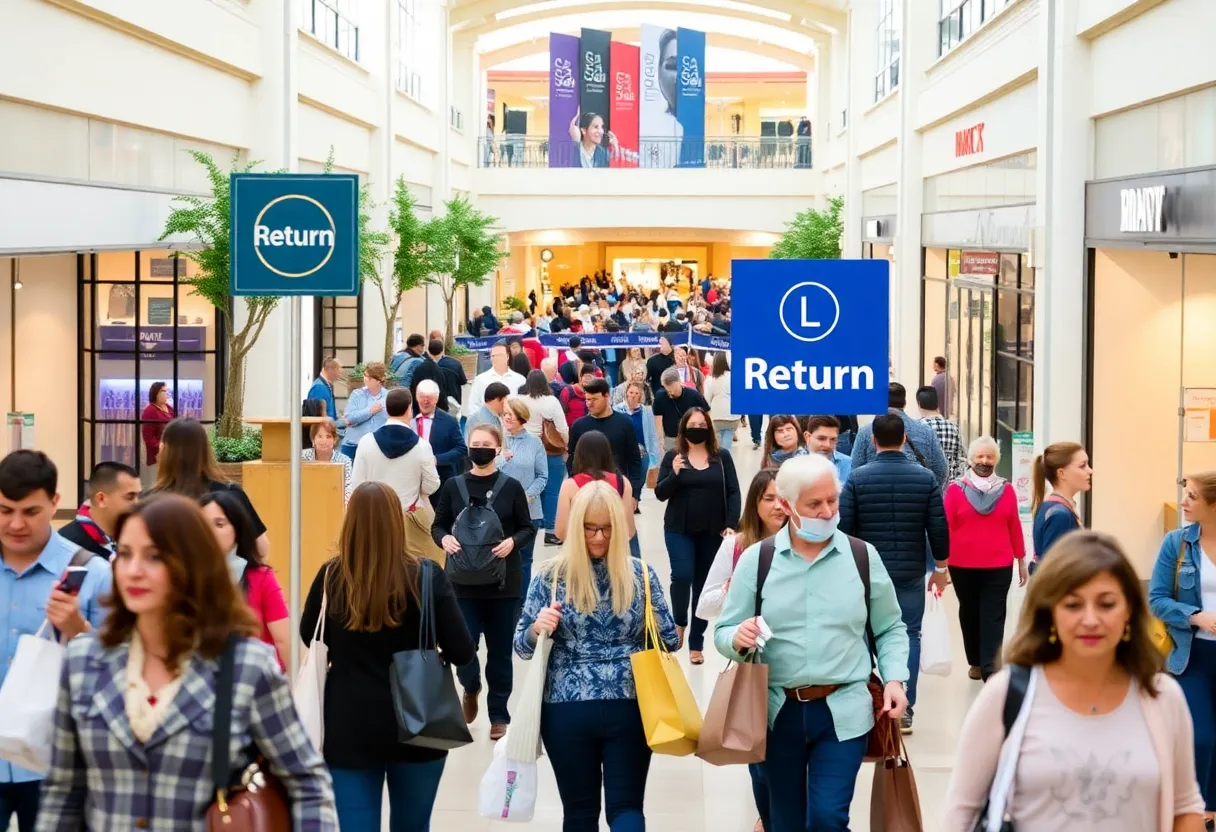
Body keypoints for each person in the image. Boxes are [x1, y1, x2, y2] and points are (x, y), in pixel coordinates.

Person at [38, 494, 337, 830]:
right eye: (124, 554)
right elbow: (63, 793)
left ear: (192, 564)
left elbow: (307, 782)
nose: (134, 571)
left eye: (154, 556)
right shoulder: (84, 663)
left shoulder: (246, 667)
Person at [944, 532, 1205, 832]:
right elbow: (960, 813)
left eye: (1107, 604)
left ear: (1130, 611)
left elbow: (1185, 807)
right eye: (1072, 605)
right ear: (1049, 613)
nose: (1091, 619)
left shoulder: (1162, 697)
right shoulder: (1006, 696)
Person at [716, 454, 910, 832]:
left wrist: (894, 679)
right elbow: (723, 631)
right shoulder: (759, 561)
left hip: (844, 710)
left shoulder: (860, 557)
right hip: (776, 712)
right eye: (815, 504)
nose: (827, 512)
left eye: (832, 501)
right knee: (783, 821)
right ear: (787, 506)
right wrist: (737, 638)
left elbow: (890, 628)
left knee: (827, 817)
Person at [301, 482, 473, 831]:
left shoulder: (332, 576)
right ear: (397, 522)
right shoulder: (427, 576)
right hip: (418, 726)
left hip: (348, 727)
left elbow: (310, 635)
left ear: (350, 522)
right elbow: (463, 650)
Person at [516, 482, 678, 831]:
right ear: (577, 528)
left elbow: (522, 644)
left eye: (606, 528)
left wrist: (536, 628)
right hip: (631, 701)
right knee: (626, 807)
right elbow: (669, 640)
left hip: (566, 704)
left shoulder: (550, 577)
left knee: (579, 814)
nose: (599, 537)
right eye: (590, 528)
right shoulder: (642, 575)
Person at [0, 450, 113, 831]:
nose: (15, 524)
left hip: (56, 764)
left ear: (54, 503)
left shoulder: (91, 572)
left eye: (30, 512)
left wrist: (80, 630)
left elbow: (122, 667)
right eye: (4, 510)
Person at [839, 413, 949, 734]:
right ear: (904, 439)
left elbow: (844, 527)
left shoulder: (858, 479)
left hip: (867, 573)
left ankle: (870, 701)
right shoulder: (925, 478)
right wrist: (941, 567)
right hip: (909, 571)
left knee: (865, 633)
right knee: (909, 634)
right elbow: (938, 527)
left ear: (872, 441)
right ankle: (905, 707)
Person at [431, 424, 535, 741]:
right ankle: (471, 685)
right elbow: (438, 526)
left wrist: (512, 543)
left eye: (486, 444)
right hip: (461, 585)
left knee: (501, 653)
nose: (480, 448)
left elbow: (527, 528)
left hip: (504, 585)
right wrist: (445, 539)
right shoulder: (453, 486)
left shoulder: (512, 487)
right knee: (463, 649)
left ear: (497, 447)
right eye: (475, 443)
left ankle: (499, 715)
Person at [1150, 470, 1216, 825]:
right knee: (1202, 737)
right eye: (1185, 494)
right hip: (1192, 656)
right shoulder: (1176, 543)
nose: (1184, 502)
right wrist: (1196, 617)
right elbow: (1156, 598)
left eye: (1192, 496)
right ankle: (1200, 813)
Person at [656, 408, 741, 665]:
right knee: (682, 575)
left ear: (709, 428)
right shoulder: (674, 456)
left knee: (704, 587)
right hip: (678, 529)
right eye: (692, 424)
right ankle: (679, 622)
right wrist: (675, 474)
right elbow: (661, 493)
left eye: (702, 424)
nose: (697, 428)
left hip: (712, 531)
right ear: (683, 428)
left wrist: (731, 524)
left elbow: (733, 491)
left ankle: (696, 642)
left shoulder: (721, 457)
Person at [944, 435, 1028, 682]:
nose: (984, 461)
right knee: (969, 613)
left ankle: (991, 667)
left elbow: (1014, 525)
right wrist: (942, 565)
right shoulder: (955, 490)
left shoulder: (1007, 490)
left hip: (999, 564)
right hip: (961, 564)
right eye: (980, 456)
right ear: (970, 460)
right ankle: (976, 662)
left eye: (989, 456)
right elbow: (946, 526)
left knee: (993, 614)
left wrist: (1021, 560)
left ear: (996, 460)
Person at [150, 418, 269, 558]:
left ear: (163, 451)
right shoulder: (231, 495)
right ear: (206, 451)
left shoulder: (148, 501)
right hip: (221, 578)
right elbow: (261, 549)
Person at [200, 489, 291, 670]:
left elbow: (284, 640)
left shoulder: (261, 578)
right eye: (203, 526)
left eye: (220, 524)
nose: (211, 533)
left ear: (237, 529)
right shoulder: (187, 578)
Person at [351, 388, 440, 514]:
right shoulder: (422, 446)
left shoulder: (366, 442)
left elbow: (356, 484)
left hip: (373, 515)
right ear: (409, 409)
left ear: (386, 410)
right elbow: (431, 485)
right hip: (407, 517)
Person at [566, 379, 644, 522]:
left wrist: (634, 494)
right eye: (587, 399)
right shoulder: (579, 426)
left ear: (607, 396)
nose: (589, 403)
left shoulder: (624, 424)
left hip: (618, 491)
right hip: (587, 494)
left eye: (594, 399)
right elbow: (572, 460)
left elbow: (634, 461)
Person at [850, 382, 949, 489]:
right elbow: (941, 470)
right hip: (916, 498)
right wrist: (928, 494)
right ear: (905, 403)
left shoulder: (865, 432)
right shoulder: (926, 431)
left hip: (874, 497)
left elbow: (855, 470)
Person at [499, 398, 547, 598]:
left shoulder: (535, 443)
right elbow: (485, 468)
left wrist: (527, 495)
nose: (507, 417)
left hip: (529, 511)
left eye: (511, 414)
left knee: (525, 561)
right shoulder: (497, 440)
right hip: (500, 512)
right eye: (505, 413)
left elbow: (542, 476)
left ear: (521, 417)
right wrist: (501, 458)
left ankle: (523, 602)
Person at [557, 431, 638, 549]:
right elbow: (629, 530)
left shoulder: (569, 486)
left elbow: (561, 531)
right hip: (613, 553)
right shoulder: (623, 483)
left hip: (580, 554)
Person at [519, 369, 569, 547]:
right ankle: (550, 531)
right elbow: (562, 428)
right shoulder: (551, 401)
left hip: (524, 449)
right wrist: (565, 445)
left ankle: (529, 526)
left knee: (529, 490)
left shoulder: (520, 400)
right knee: (552, 490)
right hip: (549, 451)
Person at [59, 461, 140, 559]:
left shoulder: (134, 538)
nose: (137, 504)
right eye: (130, 497)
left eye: (138, 496)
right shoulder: (66, 545)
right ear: (101, 499)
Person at [1032, 441, 1092, 567]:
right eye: (1082, 466)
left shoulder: (1055, 508)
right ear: (1061, 473)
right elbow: (1054, 570)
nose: (1090, 471)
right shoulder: (1060, 515)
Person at [413, 379, 466, 489]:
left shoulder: (449, 421)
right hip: (413, 480)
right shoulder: (408, 419)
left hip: (441, 480)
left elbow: (461, 448)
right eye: (422, 396)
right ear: (416, 396)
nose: (425, 401)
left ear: (437, 399)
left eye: (430, 398)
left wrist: (437, 459)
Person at [614, 380, 662, 495]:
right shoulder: (617, 410)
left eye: (636, 393)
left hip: (642, 451)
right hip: (623, 451)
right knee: (623, 478)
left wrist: (655, 455)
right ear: (626, 393)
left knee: (640, 478)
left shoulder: (646, 411)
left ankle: (635, 497)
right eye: (631, 393)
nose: (633, 396)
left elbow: (652, 433)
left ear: (640, 395)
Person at [464, 342, 525, 423]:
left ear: (507, 356)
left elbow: (524, 405)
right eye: (493, 356)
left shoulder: (519, 380)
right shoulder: (481, 379)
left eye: (499, 355)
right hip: (487, 426)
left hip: (513, 427)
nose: (495, 358)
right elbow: (473, 405)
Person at [652, 367, 709, 453]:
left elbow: (706, 413)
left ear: (679, 382)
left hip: (691, 437)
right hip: (671, 437)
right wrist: (660, 439)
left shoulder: (693, 395)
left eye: (672, 389)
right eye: (667, 389)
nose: (670, 392)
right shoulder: (660, 397)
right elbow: (658, 419)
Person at [917, 385, 965, 483]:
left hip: (927, 484)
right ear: (937, 403)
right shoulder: (954, 427)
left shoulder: (918, 428)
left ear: (919, 404)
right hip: (950, 485)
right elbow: (961, 459)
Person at [342, 361, 390, 461]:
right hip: (353, 445)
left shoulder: (388, 397)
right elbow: (349, 419)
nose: (365, 379)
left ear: (379, 380)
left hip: (378, 447)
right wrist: (370, 411)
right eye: (365, 375)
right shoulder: (357, 394)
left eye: (369, 377)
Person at [301, 417, 353, 501]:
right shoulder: (302, 457)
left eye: (328, 436)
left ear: (335, 440)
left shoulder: (345, 461)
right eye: (320, 436)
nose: (324, 440)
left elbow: (348, 489)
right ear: (313, 440)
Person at [140, 381, 175, 488]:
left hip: (171, 450)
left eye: (167, 391)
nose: (166, 394)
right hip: (158, 453)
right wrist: (159, 447)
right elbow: (148, 436)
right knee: (158, 482)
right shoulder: (150, 410)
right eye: (163, 391)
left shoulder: (169, 407)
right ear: (156, 393)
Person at [801, 415, 851, 485]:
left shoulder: (849, 465)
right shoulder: (791, 467)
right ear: (807, 437)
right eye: (821, 438)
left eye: (833, 439)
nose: (828, 445)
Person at [705, 351, 738, 447]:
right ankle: (725, 458)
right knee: (727, 441)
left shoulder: (711, 379)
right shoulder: (735, 377)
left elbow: (707, 398)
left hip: (717, 415)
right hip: (733, 415)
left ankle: (719, 460)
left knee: (717, 443)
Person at [409, 339, 453, 412]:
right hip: (434, 411)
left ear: (428, 350)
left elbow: (413, 388)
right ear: (442, 352)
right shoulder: (438, 370)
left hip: (418, 407)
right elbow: (441, 393)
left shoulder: (419, 367)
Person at [307, 356, 342, 421]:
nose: (340, 374)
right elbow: (319, 418)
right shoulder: (319, 387)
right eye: (339, 370)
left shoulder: (325, 385)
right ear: (332, 370)